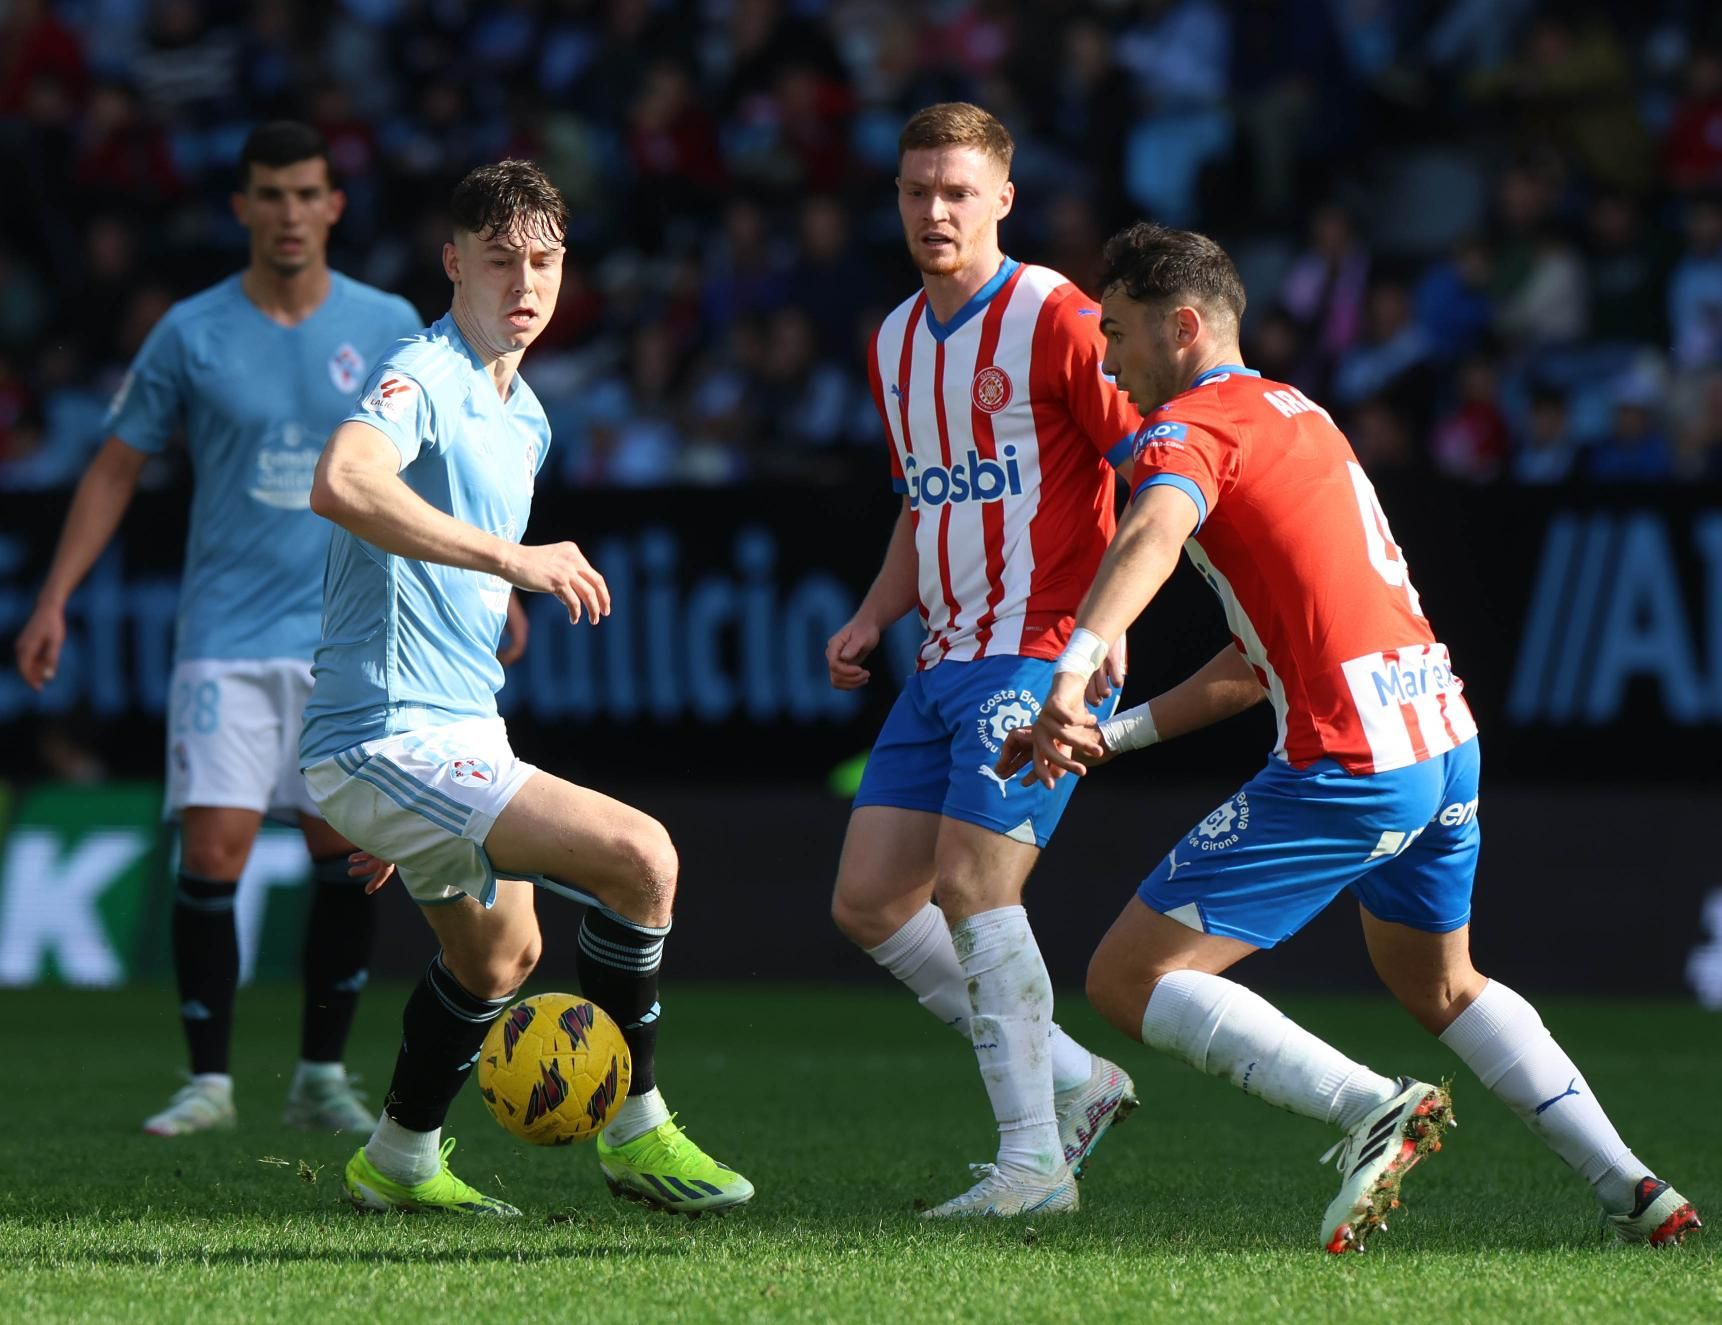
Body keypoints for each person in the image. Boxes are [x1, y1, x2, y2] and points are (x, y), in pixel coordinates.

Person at [1004, 220, 1702, 1252]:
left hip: (1354, 757)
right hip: (1442, 739)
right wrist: (1120, 731)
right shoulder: (1301, 415)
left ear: (1183, 326)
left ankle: (1375, 1106)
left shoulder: (1190, 432)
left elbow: (1150, 527)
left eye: (1117, 333)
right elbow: (1250, 670)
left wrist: (1075, 667)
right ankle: (1635, 1187)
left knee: (1123, 978)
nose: (1106, 357)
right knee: (1440, 982)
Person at [301, 158, 752, 1217]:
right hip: (388, 732)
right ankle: (639, 1131)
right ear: (452, 261)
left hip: (446, 736)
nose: (524, 284)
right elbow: (345, 479)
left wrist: (489, 599)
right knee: (643, 857)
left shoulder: (527, 413)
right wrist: (515, 562)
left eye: (543, 261)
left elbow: (434, 537)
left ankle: (399, 1157)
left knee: (503, 952)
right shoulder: (423, 372)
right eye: (499, 260)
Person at [13, 122, 423, 1138]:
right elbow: (117, 463)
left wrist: (490, 583)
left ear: (334, 205)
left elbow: (435, 463)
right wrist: (57, 592)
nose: (289, 213)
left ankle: (319, 1074)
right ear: (241, 208)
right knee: (217, 847)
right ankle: (208, 1080)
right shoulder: (191, 331)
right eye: (270, 195)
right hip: (226, 634)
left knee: (340, 851)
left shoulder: (387, 323)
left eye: (306, 194)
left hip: (346, 633)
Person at [825, 102, 1144, 1219]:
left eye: (958, 191)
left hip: (1043, 646)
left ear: (1004, 197)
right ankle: (1075, 1081)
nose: (934, 211)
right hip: (942, 655)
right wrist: (874, 614)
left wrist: (1107, 636)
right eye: (918, 191)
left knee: (972, 885)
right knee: (869, 900)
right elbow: (927, 501)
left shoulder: (1057, 312)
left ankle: (1032, 1166)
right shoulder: (895, 340)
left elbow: (1147, 473)